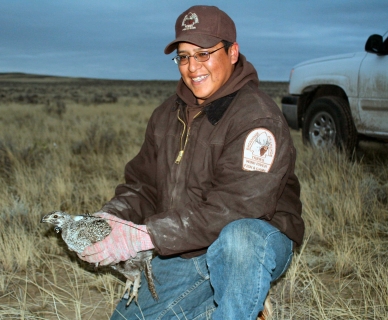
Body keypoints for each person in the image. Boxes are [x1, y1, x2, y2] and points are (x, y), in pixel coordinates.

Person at [79, 5, 304, 320]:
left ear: (233, 52)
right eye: (183, 56)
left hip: (253, 242)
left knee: (239, 241)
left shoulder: (258, 117)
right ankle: (227, 303)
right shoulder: (166, 115)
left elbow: (238, 208)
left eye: (204, 53)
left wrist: (146, 236)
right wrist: (110, 220)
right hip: (186, 243)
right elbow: (142, 185)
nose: (192, 67)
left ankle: (241, 302)